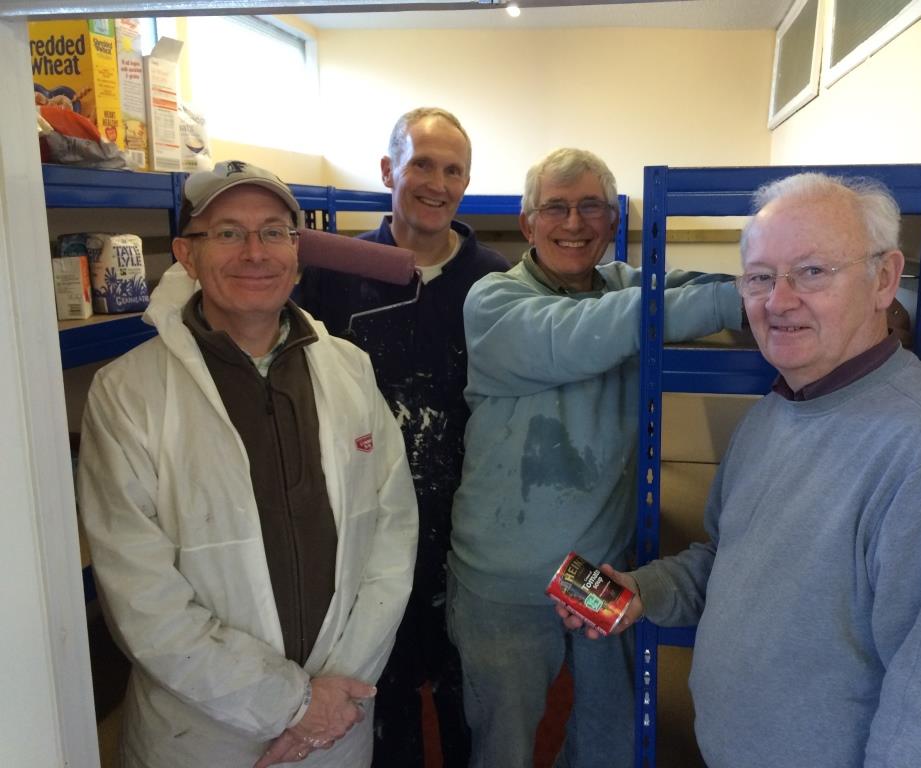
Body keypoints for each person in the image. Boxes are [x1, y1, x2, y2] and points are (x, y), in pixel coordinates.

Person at [561, 172, 921, 767]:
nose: (778, 301)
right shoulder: (780, 409)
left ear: (883, 279)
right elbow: (724, 563)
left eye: (812, 271)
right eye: (760, 277)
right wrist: (640, 593)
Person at [77, 160, 418, 768]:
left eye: (274, 232)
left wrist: (334, 694)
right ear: (186, 253)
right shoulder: (128, 393)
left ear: (297, 250)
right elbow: (141, 596)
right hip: (202, 731)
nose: (255, 253)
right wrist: (288, 704)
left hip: (338, 720)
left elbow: (392, 537)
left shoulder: (349, 370)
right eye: (228, 233)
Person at [446, 147, 744, 767]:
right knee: (504, 745)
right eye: (555, 208)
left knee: (608, 737)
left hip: (599, 573)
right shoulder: (493, 301)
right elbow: (579, 335)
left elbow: (692, 290)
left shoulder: (624, 289)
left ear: (613, 223)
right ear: (529, 225)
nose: (574, 223)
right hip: (505, 579)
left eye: (591, 208)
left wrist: (769, 293)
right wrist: (726, 304)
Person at [296, 107, 508, 767]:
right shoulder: (335, 272)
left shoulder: (494, 283)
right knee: (380, 700)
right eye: (421, 164)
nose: (436, 183)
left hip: (466, 530)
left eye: (453, 170)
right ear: (389, 169)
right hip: (365, 528)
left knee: (464, 697)